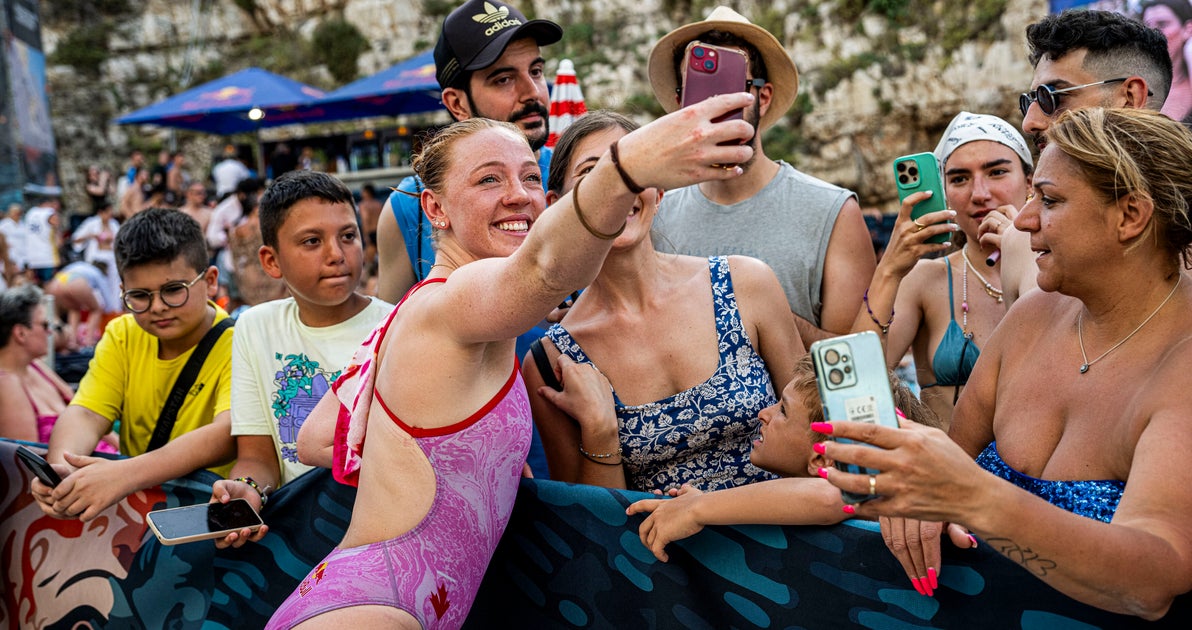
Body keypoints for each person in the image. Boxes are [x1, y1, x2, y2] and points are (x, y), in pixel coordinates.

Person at [268, 94, 756, 627]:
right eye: (489, 181)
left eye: (528, 177)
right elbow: (546, 268)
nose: (519, 196)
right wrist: (627, 167)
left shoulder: (412, 316)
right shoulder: (452, 301)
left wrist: (468, 467)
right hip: (375, 606)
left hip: (379, 595)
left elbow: (318, 437)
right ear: (435, 209)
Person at [820, 108, 1192, 619]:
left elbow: (1153, 583)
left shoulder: (1183, 365)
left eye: (1050, 199)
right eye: (1034, 195)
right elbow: (942, 467)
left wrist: (974, 497)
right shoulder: (1032, 316)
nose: (1024, 218)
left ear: (1130, 216)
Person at [526, 111, 803, 492]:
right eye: (593, 175)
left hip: (786, 538)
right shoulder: (553, 362)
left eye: (632, 173)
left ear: (659, 188)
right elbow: (590, 525)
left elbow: (814, 437)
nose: (618, 190)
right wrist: (600, 432)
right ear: (556, 205)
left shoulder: (747, 283)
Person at [648, 6, 875, 350]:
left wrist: (755, 308)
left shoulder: (832, 212)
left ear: (762, 97)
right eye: (698, 88)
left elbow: (855, 359)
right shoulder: (656, 215)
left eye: (728, 87)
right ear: (680, 102)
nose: (714, 103)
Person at [210, 171, 392, 548]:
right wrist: (247, 489)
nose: (337, 255)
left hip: (382, 529)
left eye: (348, 236)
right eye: (312, 241)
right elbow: (258, 456)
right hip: (303, 534)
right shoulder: (254, 327)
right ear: (271, 261)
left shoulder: (398, 325)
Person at [625, 354, 940, 563]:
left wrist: (698, 508)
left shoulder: (861, 496)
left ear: (825, 460)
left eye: (783, 410)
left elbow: (833, 496)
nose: (764, 413)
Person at [31, 209, 237, 522]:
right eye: (139, 296)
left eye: (173, 291)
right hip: (141, 512)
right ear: (123, 292)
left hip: (207, 513)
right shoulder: (123, 334)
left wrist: (125, 474)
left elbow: (227, 432)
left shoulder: (239, 343)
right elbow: (86, 413)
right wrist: (62, 471)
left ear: (209, 281)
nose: (158, 307)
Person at [852, 112, 1032, 426]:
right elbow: (852, 384)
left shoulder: (1062, 270)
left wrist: (1023, 253)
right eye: (959, 178)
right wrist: (890, 269)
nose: (979, 193)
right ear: (944, 193)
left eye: (997, 172)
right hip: (948, 467)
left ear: (1030, 182)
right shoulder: (926, 279)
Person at [375, 0, 561, 302]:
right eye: (504, 79)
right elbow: (390, 328)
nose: (533, 92)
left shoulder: (578, 177)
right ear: (457, 104)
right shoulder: (409, 208)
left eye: (536, 71)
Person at [1002, 9, 1173, 308]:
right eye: (1030, 101)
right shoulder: (1023, 241)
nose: (1029, 122)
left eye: (1052, 97)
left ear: (1130, 98)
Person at [0, 284, 118, 450]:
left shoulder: (34, 366)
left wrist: (127, 455)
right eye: (45, 325)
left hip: (106, 461)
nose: (50, 332)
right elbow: (27, 462)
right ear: (20, 333)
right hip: (83, 471)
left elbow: (87, 413)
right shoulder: (7, 385)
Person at [43, 260, 122, 350]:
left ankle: (72, 341)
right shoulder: (98, 273)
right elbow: (107, 299)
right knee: (96, 309)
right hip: (75, 281)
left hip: (58, 282)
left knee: (75, 309)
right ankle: (88, 341)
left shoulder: (82, 266)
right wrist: (111, 310)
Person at [1142, 0, 1192, 122]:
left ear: (1188, 29)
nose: (1154, 33)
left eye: (1162, 24)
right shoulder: (1138, 85)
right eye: (1147, 26)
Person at [71, 199, 120, 294]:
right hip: (97, 258)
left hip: (112, 258)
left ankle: (114, 306)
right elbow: (75, 239)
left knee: (114, 284)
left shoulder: (114, 224)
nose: (110, 214)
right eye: (108, 211)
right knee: (97, 284)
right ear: (101, 212)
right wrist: (92, 236)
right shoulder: (91, 223)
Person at [23, 198, 59, 285]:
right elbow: (55, 226)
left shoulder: (30, 213)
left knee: (33, 285)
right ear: (47, 203)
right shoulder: (49, 212)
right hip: (47, 256)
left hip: (32, 257)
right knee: (48, 285)